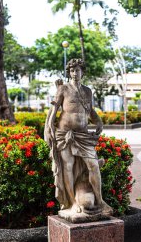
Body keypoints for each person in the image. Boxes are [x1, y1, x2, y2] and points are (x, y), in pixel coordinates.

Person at [44, 58, 110, 216]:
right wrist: (49, 126)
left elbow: (90, 110)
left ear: (83, 72)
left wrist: (98, 121)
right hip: (64, 134)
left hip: (83, 135)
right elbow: (54, 110)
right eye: (72, 71)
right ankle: (73, 203)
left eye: (77, 70)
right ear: (69, 73)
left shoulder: (87, 91)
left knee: (93, 165)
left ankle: (100, 201)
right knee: (67, 167)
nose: (74, 73)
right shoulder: (63, 89)